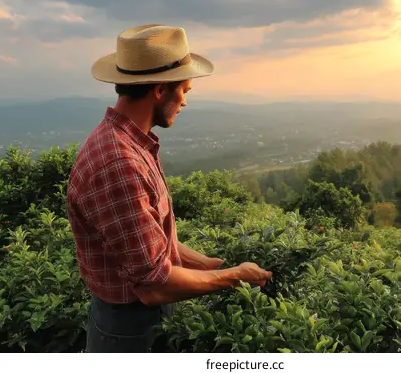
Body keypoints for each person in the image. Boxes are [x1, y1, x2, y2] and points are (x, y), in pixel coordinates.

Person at [66, 24, 273, 353]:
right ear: (160, 89)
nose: (185, 102)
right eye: (185, 90)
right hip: (128, 331)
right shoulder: (119, 164)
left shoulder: (132, 144)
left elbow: (154, 247)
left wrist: (207, 265)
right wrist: (235, 276)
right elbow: (154, 285)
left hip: (135, 321)